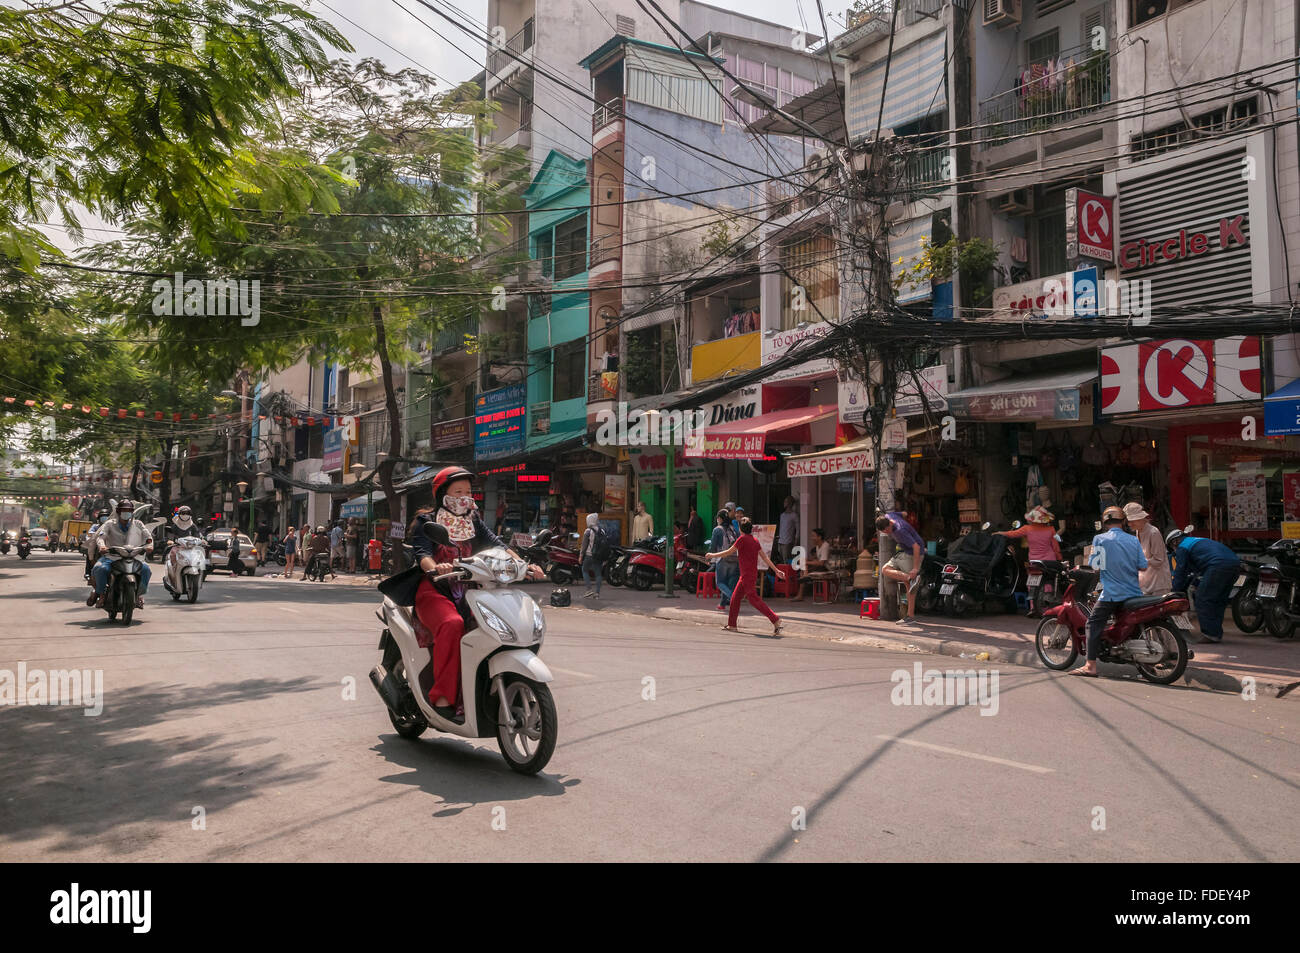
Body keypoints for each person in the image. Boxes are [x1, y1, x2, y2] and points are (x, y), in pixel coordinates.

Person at [412, 466, 544, 722]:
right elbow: (422, 555)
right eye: (457, 491)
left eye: (468, 491)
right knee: (453, 624)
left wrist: (524, 565)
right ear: (442, 494)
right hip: (437, 590)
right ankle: (442, 696)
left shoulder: (472, 520)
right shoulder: (426, 522)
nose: (464, 496)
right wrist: (436, 567)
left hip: (472, 589)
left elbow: (498, 545)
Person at [1072, 506, 1147, 677]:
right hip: (1134, 592)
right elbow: (1143, 565)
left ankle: (1090, 666)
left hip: (1112, 593)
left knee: (1092, 623)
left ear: (1105, 523)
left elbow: (1096, 565)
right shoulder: (1133, 540)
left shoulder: (1100, 539)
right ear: (1123, 521)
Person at [708, 518, 784, 636]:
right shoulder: (754, 540)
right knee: (735, 598)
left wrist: (712, 555)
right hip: (749, 574)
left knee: (754, 600)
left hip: (746, 575)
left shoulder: (742, 539)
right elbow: (765, 558)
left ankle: (775, 619)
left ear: (740, 528)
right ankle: (732, 625)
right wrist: (776, 570)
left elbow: (728, 552)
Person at [1167, 527, 1239, 643]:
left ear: (1174, 542)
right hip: (1234, 564)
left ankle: (1210, 634)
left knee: (1202, 598)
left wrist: (1174, 592)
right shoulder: (1197, 541)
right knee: (1219, 600)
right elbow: (1195, 572)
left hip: (1217, 565)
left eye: (1172, 548)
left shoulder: (1182, 547)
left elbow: (1181, 572)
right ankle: (1216, 634)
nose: (1174, 551)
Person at [87, 499, 153, 609]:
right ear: (118, 512)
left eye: (129, 510)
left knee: (146, 569)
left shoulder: (138, 524)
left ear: (132, 512)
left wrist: (149, 546)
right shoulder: (109, 524)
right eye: (123, 510)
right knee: (100, 569)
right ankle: (102, 594)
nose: (126, 513)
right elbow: (101, 537)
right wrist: (102, 546)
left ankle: (139, 595)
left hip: (133, 556)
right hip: (112, 557)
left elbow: (148, 537)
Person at [875, 511, 927, 625]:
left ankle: (910, 616)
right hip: (903, 551)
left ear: (889, 524)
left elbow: (916, 547)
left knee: (909, 586)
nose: (887, 533)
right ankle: (909, 578)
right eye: (884, 532)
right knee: (885, 569)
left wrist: (915, 568)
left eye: (887, 530)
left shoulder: (900, 531)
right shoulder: (889, 516)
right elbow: (905, 513)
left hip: (913, 553)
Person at [1124, 503, 1172, 595]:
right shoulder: (1139, 531)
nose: (1130, 524)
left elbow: (1159, 560)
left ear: (1142, 519)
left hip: (1158, 584)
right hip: (1146, 582)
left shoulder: (1153, 532)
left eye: (1133, 520)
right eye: (1128, 521)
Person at [791, 528, 832, 602]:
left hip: (826, 568)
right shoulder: (817, 546)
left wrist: (807, 562)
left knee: (804, 566)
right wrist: (807, 560)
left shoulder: (825, 545)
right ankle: (805, 575)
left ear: (819, 537)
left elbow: (821, 563)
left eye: (813, 536)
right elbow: (816, 559)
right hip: (819, 567)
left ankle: (800, 593)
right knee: (802, 563)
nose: (811, 538)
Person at [709, 508, 739, 610]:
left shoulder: (717, 529)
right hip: (735, 559)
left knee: (720, 582)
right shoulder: (734, 529)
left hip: (723, 559)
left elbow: (713, 547)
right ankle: (722, 604)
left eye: (718, 518)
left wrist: (709, 556)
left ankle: (733, 599)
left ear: (720, 519)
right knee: (727, 583)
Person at [580, 512, 604, 600]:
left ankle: (589, 589)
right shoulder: (602, 530)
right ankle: (597, 593)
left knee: (584, 570)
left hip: (589, 555)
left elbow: (584, 545)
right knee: (598, 574)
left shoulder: (588, 531)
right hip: (599, 555)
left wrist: (581, 555)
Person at [776, 496, 798, 565]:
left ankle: (787, 574)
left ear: (790, 503)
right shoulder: (782, 515)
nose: (784, 503)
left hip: (788, 541)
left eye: (786, 501)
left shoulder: (794, 515)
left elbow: (797, 529)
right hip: (780, 540)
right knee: (781, 559)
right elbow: (781, 527)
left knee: (786, 559)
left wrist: (796, 541)